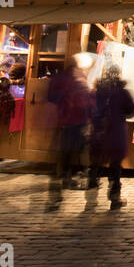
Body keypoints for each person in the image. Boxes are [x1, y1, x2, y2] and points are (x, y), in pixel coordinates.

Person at [87, 65, 134, 210]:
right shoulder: (122, 93)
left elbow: (88, 109)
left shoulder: (96, 92)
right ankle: (115, 198)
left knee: (94, 166)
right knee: (115, 167)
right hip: (115, 133)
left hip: (98, 133)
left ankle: (90, 199)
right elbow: (131, 111)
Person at [46, 59, 93, 210]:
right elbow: (88, 103)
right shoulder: (79, 82)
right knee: (82, 155)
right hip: (77, 122)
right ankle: (89, 195)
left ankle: (55, 193)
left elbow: (51, 98)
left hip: (61, 122)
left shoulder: (58, 80)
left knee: (62, 156)